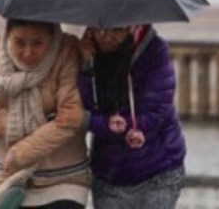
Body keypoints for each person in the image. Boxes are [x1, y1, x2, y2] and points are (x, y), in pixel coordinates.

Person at [0, 19, 91, 209]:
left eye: (38, 43)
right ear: (8, 34)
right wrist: (19, 126)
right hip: (11, 178)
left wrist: (20, 153)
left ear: (52, 36)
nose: (28, 52)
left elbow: (69, 118)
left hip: (64, 176)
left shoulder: (67, 48)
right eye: (19, 42)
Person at [75, 24, 186, 208]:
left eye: (116, 30)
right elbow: (83, 109)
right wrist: (85, 65)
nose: (106, 37)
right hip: (109, 173)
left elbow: (154, 113)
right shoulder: (90, 56)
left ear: (133, 27)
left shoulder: (154, 51)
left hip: (158, 170)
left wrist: (110, 126)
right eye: (99, 29)